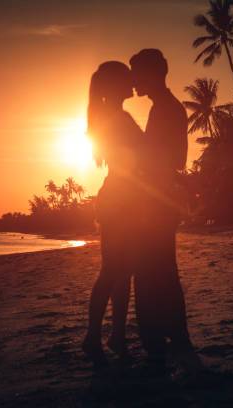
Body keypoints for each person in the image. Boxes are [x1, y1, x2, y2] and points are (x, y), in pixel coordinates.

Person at [127, 49, 202, 372]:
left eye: (136, 72)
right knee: (161, 273)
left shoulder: (166, 110)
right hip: (157, 202)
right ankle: (174, 338)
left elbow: (168, 161)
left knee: (150, 275)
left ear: (153, 74)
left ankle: (158, 345)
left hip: (153, 204)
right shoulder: (165, 108)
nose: (133, 79)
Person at [82, 61, 144, 366]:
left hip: (120, 198)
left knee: (121, 271)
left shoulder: (111, 117)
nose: (133, 81)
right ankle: (94, 336)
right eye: (127, 77)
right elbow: (133, 162)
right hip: (121, 200)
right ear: (115, 84)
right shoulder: (115, 119)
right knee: (113, 271)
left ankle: (114, 335)